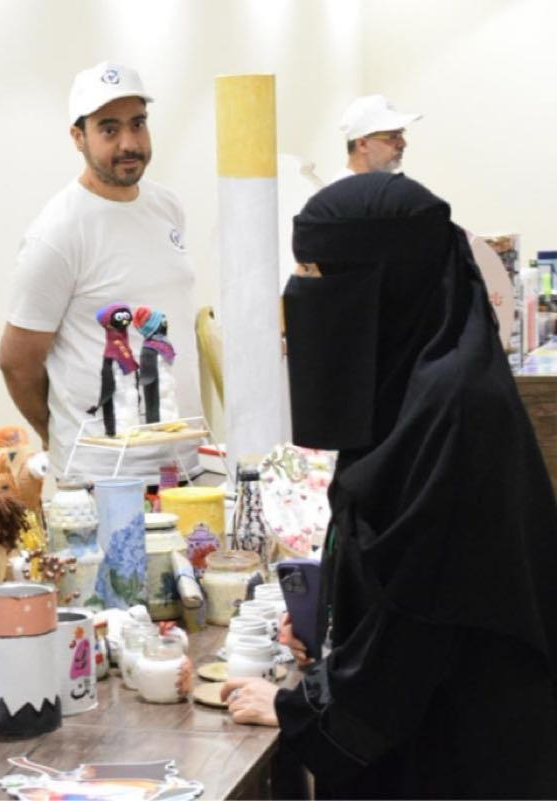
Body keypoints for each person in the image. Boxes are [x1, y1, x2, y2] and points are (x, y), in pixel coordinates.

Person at [222, 174, 557, 798]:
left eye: (317, 272)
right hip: (425, 725)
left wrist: (306, 710)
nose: (301, 293)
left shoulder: (455, 408)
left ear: (384, 281)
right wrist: (330, 620)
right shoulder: (409, 385)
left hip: (458, 753)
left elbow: (422, 618)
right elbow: (394, 557)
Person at [0, 61, 200, 479]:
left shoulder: (166, 207)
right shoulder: (57, 234)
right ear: (78, 137)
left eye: (138, 124)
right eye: (109, 129)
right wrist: (62, 437)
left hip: (183, 462)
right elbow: (17, 361)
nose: (129, 143)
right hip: (104, 477)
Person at [332, 94, 422, 182]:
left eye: (401, 133)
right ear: (363, 144)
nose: (403, 143)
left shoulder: (382, 187)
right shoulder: (344, 190)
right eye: (393, 136)